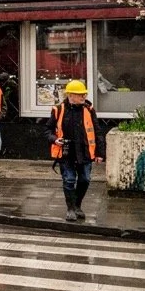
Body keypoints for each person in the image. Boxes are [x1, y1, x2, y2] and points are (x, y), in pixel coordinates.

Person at [44, 80, 105, 221]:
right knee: (69, 180)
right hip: (66, 153)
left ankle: (77, 205)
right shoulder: (59, 110)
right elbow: (47, 129)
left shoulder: (89, 110)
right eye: (80, 95)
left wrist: (100, 153)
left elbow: (97, 131)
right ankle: (70, 208)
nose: (83, 97)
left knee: (85, 179)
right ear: (71, 96)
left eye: (84, 94)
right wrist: (54, 139)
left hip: (85, 152)